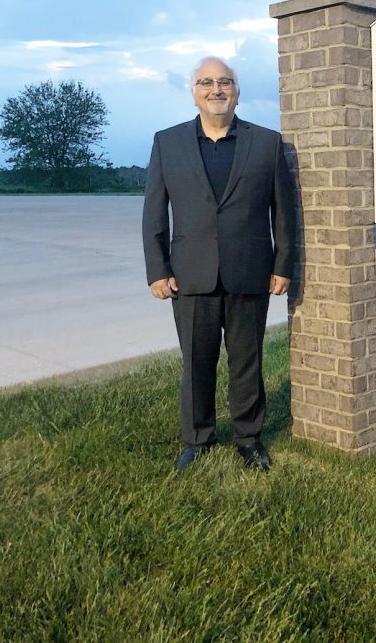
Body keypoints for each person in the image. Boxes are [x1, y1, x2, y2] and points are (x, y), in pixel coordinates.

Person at [142, 56, 296, 471]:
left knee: (247, 360)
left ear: (237, 91)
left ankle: (248, 438)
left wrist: (283, 264)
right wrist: (157, 270)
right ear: (194, 92)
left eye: (225, 82)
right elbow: (155, 212)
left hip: (249, 271)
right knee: (196, 361)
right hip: (190, 274)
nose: (217, 90)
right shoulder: (167, 143)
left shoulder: (265, 143)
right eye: (207, 82)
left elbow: (283, 211)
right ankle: (198, 439)